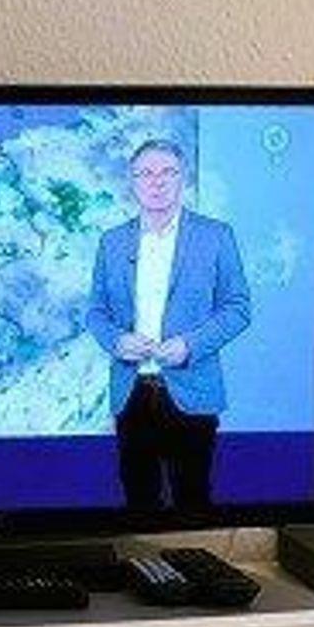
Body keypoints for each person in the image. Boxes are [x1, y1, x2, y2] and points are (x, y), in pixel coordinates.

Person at [85, 138, 252, 517]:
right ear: (132, 181)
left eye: (167, 172)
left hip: (192, 393)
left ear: (183, 178)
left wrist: (190, 345)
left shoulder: (216, 236)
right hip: (132, 394)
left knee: (193, 503)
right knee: (138, 505)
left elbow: (238, 308)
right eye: (145, 173)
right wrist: (117, 341)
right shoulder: (112, 242)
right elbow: (96, 311)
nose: (156, 182)